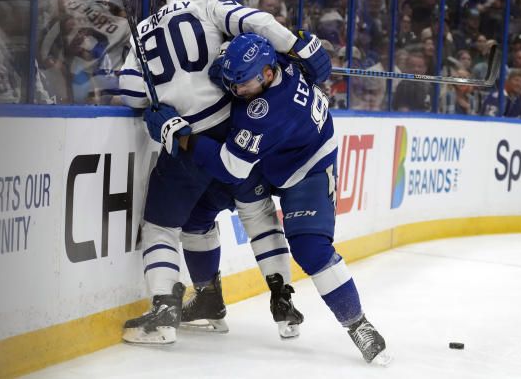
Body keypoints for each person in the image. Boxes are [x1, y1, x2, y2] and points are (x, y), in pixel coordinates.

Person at [153, 33, 391, 365]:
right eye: (233, 82)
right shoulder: (278, 57)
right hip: (267, 158)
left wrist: (178, 135)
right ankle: (208, 297)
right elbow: (284, 42)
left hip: (305, 167)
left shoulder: (266, 112)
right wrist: (305, 42)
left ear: (267, 74)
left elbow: (231, 166)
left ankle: (359, 325)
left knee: (311, 249)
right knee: (196, 216)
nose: (237, 90)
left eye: (244, 84)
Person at [118, 0, 331, 344]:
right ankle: (280, 299)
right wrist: (296, 46)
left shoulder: (142, 30)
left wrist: (165, 100)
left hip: (188, 138)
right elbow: (259, 24)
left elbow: (130, 92)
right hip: (234, 129)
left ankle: (167, 313)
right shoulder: (208, 4)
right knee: (256, 211)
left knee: (163, 226)